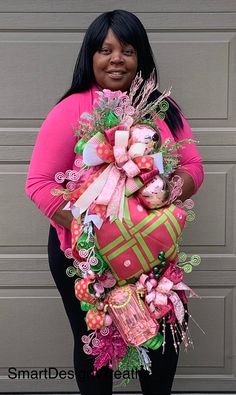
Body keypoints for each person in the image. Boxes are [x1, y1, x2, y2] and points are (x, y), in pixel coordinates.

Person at [25, 9, 204, 395]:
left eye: (127, 49)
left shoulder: (163, 110)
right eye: (105, 50)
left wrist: (169, 193)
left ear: (141, 57)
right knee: (96, 343)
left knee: (161, 332)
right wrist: (93, 231)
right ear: (90, 57)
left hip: (152, 251)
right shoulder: (70, 109)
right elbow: (38, 183)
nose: (116, 58)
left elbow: (192, 166)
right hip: (84, 255)